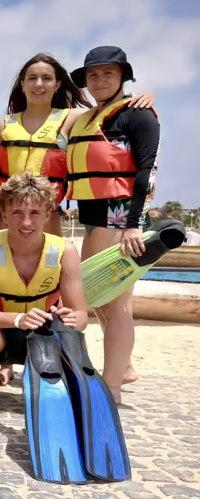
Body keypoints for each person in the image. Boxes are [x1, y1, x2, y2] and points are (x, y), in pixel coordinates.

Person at [66, 46, 159, 402]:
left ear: (122, 76)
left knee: (116, 304)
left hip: (119, 220)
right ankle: (126, 367)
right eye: (93, 75)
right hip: (93, 218)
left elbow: (146, 169)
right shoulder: (89, 116)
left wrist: (134, 225)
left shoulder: (138, 116)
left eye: (108, 73)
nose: (99, 80)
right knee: (96, 296)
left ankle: (113, 387)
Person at [0, 53, 155, 237]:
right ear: (22, 84)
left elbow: (110, 108)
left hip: (48, 220)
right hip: (6, 220)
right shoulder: (4, 127)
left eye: (46, 78)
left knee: (50, 264)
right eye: (32, 78)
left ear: (57, 85)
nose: (38, 84)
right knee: (3, 266)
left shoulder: (73, 119)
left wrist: (140, 97)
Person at [0, 172, 87, 410]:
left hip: (45, 335)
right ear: (4, 215)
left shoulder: (65, 251)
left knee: (74, 341)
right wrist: (19, 319)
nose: (26, 223)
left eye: (35, 213)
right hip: (2, 332)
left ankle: (51, 386)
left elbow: (81, 316)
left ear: (48, 214)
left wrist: (74, 319)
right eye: (17, 213)